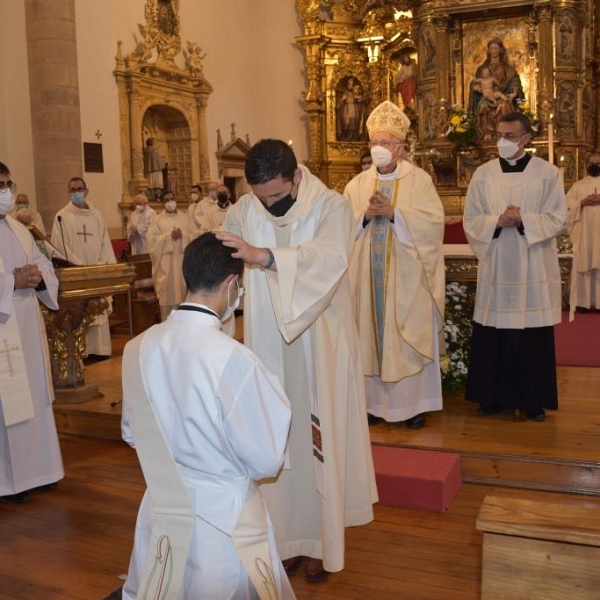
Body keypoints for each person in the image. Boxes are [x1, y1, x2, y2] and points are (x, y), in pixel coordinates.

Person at [217, 139, 377, 583]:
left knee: (317, 440)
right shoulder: (244, 210)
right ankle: (283, 540)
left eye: (276, 195)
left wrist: (264, 256)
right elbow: (226, 266)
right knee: (276, 443)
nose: (268, 205)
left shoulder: (331, 207)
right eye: (260, 196)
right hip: (267, 343)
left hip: (319, 343)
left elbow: (327, 261)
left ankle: (322, 544)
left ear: (295, 177)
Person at [121, 232, 294, 600]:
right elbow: (266, 459)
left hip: (162, 513)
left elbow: (132, 432)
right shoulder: (233, 359)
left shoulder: (138, 348)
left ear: (187, 276)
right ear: (232, 285)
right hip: (222, 525)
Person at [344, 100, 445, 429]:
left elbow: (433, 224)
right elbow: (340, 227)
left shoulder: (419, 181)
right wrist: (364, 217)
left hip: (405, 280)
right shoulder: (356, 185)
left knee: (404, 338)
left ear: (400, 148)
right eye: (374, 143)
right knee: (368, 339)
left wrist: (395, 215)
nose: (378, 149)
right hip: (366, 280)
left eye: (385, 143)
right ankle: (372, 405)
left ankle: (413, 406)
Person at [463, 112, 567, 422]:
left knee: (531, 335)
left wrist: (523, 220)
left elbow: (557, 218)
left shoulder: (548, 174)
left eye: (509, 136)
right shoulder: (483, 174)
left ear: (525, 139)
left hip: (531, 263)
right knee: (493, 333)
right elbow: (471, 218)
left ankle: (532, 401)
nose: (502, 142)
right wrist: (497, 220)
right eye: (499, 135)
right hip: (497, 263)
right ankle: (491, 398)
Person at [0, 161, 64, 504]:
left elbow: (42, 263)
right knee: (7, 401)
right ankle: (10, 480)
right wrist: (12, 281)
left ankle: (41, 469)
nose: (6, 192)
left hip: (26, 324)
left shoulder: (19, 228)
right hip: (3, 329)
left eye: (9, 184)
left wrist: (38, 278)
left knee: (34, 394)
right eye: (1, 185)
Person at [51, 177, 117, 357]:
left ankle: (100, 350)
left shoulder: (96, 215)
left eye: (79, 189)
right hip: (77, 273)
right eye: (73, 190)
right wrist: (80, 266)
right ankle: (82, 351)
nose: (76, 193)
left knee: (98, 308)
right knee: (79, 311)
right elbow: (60, 247)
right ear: (68, 193)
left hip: (97, 270)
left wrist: (102, 264)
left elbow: (105, 243)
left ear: (86, 191)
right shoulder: (61, 217)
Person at [147, 189, 196, 321]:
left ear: (176, 199)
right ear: (162, 203)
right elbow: (151, 241)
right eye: (166, 200)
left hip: (183, 265)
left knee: (186, 302)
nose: (170, 202)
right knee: (168, 305)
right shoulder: (157, 220)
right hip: (166, 267)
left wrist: (183, 236)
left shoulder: (186, 218)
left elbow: (196, 237)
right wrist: (168, 237)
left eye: (171, 199)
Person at [566, 152, 600, 318]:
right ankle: (583, 302)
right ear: (587, 165)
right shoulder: (578, 186)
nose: (594, 165)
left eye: (598, 163)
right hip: (584, 233)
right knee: (583, 265)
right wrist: (582, 202)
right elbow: (567, 204)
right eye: (592, 163)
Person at [469, 38, 524, 141]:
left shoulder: (507, 68)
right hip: (486, 96)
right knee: (483, 106)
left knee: (504, 106)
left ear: (500, 50)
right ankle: (487, 132)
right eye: (491, 49)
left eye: (496, 48)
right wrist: (475, 88)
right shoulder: (482, 69)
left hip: (501, 95)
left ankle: (504, 133)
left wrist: (514, 93)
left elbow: (514, 81)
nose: (493, 51)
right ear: (489, 51)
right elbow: (475, 82)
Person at [336, 76, 365, 141]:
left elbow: (361, 100)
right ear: (347, 84)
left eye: (352, 84)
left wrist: (358, 98)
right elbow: (338, 105)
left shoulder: (355, 92)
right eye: (349, 84)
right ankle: (345, 137)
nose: (350, 85)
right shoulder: (344, 93)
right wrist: (342, 99)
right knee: (346, 124)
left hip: (354, 109)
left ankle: (353, 137)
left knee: (353, 125)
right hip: (346, 110)